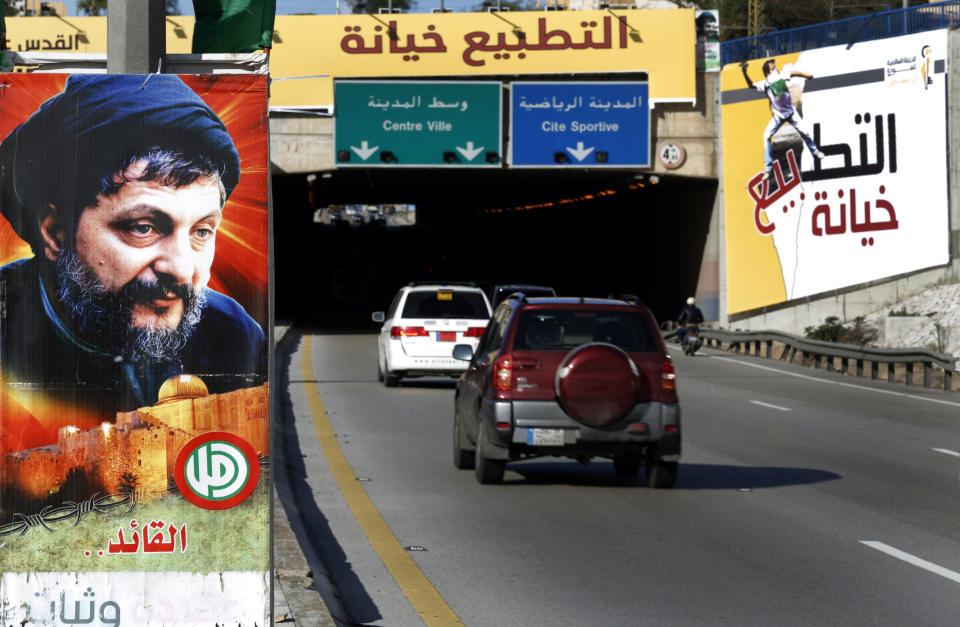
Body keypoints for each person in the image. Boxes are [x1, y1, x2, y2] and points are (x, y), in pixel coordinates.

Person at [0, 74, 265, 452]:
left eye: (202, 231)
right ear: (55, 233)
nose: (181, 268)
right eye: (143, 227)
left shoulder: (233, 334)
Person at [741, 59, 825, 179]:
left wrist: (808, 76)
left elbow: (795, 73)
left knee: (804, 132)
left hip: (791, 113)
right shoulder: (765, 83)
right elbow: (751, 85)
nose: (775, 67)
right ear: (767, 71)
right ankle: (768, 170)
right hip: (778, 117)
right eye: (772, 67)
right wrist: (744, 73)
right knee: (766, 136)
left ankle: (815, 152)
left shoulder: (781, 75)